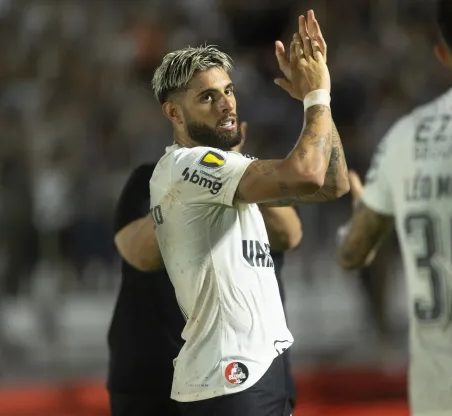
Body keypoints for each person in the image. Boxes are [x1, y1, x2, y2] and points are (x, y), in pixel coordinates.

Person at [149, 10, 349, 416]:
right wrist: (316, 96)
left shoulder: (223, 171)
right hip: (229, 378)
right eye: (207, 96)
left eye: (228, 90)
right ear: (174, 113)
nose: (226, 104)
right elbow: (309, 174)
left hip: (256, 372)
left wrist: (316, 101)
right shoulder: (187, 166)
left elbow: (333, 184)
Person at [336, 1, 452, 415]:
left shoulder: (405, 136)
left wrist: (361, 213)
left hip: (435, 398)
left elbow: (352, 252)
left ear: (442, 53)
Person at [108, 122, 303, 416]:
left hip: (248, 373)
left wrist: (233, 177)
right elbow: (140, 254)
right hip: (153, 377)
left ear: (242, 132)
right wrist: (193, 186)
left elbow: (289, 234)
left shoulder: (260, 183)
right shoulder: (149, 180)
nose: (221, 112)